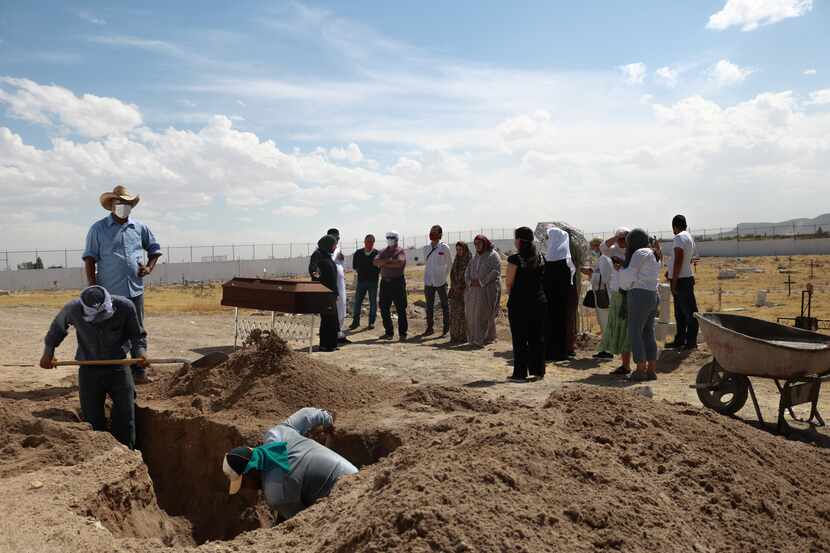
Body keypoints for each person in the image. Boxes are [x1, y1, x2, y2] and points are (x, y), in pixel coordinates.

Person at [39, 286, 146, 449]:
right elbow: (56, 330)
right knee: (92, 420)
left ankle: (128, 454)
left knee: (126, 416)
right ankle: (98, 457)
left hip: (118, 367)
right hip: (88, 371)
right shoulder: (73, 309)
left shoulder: (125, 306)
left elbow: (137, 336)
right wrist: (48, 353)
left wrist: (140, 353)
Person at [83, 185, 161, 385]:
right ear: (111, 205)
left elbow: (154, 249)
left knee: (137, 330)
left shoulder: (140, 228)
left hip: (135, 290)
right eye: (119, 203)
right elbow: (90, 259)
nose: (123, 207)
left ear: (131, 206)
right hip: (110, 293)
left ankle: (139, 371)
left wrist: (149, 268)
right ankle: (114, 372)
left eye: (126, 204)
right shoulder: (98, 229)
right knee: (111, 332)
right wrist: (93, 288)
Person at [222, 407, 357, 521]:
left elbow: (302, 525)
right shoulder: (276, 434)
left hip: (347, 505)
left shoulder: (277, 495)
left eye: (244, 483)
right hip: (358, 479)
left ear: (250, 472)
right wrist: (327, 420)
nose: (247, 489)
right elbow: (307, 413)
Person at [619, 229, 662, 381]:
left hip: (639, 295)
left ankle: (640, 368)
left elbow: (629, 276)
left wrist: (621, 276)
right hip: (653, 295)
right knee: (648, 333)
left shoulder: (639, 253)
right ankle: (651, 369)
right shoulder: (654, 253)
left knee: (634, 332)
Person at [505, 227, 546, 381]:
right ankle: (538, 370)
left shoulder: (515, 259)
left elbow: (509, 282)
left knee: (520, 338)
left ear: (519, 240)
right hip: (539, 302)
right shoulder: (541, 258)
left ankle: (520, 373)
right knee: (537, 337)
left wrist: (512, 293)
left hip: (519, 303)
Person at [598, 229, 632, 375]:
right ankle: (625, 364)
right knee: (620, 328)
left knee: (627, 330)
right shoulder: (614, 249)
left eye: (624, 239)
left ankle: (629, 365)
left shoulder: (634, 251)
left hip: (630, 292)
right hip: (617, 292)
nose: (621, 242)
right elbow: (602, 248)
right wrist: (616, 237)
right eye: (620, 239)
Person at [666, 215, 699, 350]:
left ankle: (690, 342)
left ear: (675, 226)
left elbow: (679, 260)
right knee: (680, 313)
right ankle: (680, 340)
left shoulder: (679, 238)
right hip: (684, 277)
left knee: (689, 312)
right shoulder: (689, 237)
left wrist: (673, 282)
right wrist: (670, 271)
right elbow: (685, 260)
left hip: (681, 280)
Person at [543, 226, 575, 361]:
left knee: (552, 324)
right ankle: (561, 352)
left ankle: (552, 352)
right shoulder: (566, 261)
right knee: (560, 324)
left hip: (551, 300)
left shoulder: (549, 260)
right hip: (561, 301)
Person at [464, 235, 502, 347]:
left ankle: (483, 339)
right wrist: (470, 282)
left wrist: (481, 282)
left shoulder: (493, 255)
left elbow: (495, 271)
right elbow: (467, 271)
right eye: (475, 244)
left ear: (484, 243)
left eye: (479, 243)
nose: (477, 246)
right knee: (473, 315)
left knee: (484, 314)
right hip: (474, 291)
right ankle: (476, 338)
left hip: (487, 291)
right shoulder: (475, 257)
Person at [582, 238, 613, 359]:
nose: (592, 250)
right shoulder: (602, 259)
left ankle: (608, 350)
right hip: (600, 293)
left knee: (605, 323)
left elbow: (604, 278)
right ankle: (605, 348)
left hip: (603, 294)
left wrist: (591, 274)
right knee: (603, 323)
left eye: (593, 247)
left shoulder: (604, 259)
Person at [374, 231, 408, 341]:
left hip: (397, 282)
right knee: (384, 308)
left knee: (401, 308)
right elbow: (375, 262)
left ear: (397, 239)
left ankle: (402, 333)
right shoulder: (383, 251)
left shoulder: (400, 251)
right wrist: (389, 261)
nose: (390, 239)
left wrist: (384, 262)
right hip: (385, 283)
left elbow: (399, 263)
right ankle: (389, 332)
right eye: (388, 237)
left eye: (392, 237)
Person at [311, 235, 340, 352]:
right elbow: (314, 271)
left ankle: (332, 344)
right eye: (334, 244)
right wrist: (319, 283)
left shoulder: (327, 255)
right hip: (324, 293)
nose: (335, 247)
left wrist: (336, 293)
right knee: (327, 319)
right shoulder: (318, 255)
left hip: (331, 293)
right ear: (328, 244)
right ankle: (325, 345)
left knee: (332, 319)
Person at [422, 225, 452, 336]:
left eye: (434, 232)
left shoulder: (444, 248)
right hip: (429, 281)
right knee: (429, 307)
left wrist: (444, 277)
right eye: (430, 232)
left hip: (441, 281)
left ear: (440, 235)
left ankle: (446, 329)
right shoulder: (426, 248)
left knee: (445, 306)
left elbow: (449, 265)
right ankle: (429, 328)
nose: (431, 234)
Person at [349, 234, 380, 330]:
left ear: (373, 243)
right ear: (364, 242)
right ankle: (355, 322)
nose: (369, 244)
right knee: (357, 302)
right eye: (367, 241)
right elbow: (355, 266)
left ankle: (371, 322)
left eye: (371, 242)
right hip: (361, 281)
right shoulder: (358, 253)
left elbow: (379, 267)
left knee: (373, 302)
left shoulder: (377, 254)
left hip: (373, 282)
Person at [327, 228, 350, 345]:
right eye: (336, 237)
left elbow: (340, 263)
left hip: (340, 283)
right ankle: (332, 334)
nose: (337, 239)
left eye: (338, 238)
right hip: (331, 284)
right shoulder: (323, 250)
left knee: (342, 306)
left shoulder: (338, 249)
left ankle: (339, 332)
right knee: (333, 309)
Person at [448, 241, 471, 343]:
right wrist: (454, 286)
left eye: (460, 249)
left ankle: (463, 337)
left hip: (465, 291)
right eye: (457, 250)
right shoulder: (456, 260)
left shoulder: (470, 260)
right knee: (454, 314)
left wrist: (461, 286)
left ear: (465, 249)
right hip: (455, 291)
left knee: (463, 315)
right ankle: (455, 336)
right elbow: (452, 274)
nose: (459, 251)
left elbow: (469, 275)